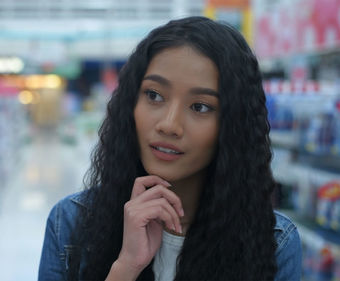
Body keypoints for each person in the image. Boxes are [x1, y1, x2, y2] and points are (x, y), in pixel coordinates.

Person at [38, 16, 302, 281]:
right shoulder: (70, 223)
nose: (169, 125)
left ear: (232, 125)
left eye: (200, 106)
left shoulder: (275, 243)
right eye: (154, 95)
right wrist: (126, 266)